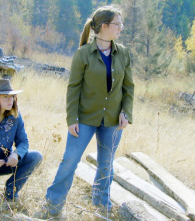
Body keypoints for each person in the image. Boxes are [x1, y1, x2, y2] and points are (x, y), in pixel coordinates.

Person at [41, 5, 134, 218]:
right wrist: (71, 118)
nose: (121, 28)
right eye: (118, 24)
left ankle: (101, 208)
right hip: (83, 118)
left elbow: (129, 87)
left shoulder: (124, 54)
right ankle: (53, 207)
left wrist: (126, 112)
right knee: (70, 161)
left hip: (112, 120)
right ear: (104, 26)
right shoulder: (83, 54)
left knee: (106, 166)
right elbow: (73, 88)